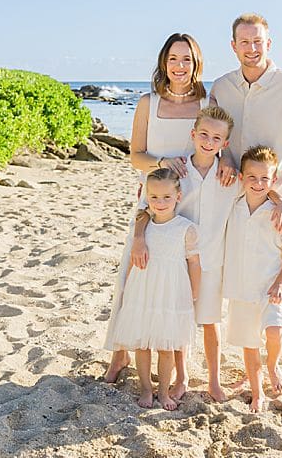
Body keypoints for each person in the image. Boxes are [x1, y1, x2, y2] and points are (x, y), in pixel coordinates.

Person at [209, 12, 282, 405]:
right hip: (235, 207)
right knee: (244, 296)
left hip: (280, 208)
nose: (252, 48)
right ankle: (256, 373)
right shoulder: (221, 88)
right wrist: (224, 158)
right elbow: (215, 137)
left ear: (268, 44)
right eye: (245, 41)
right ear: (233, 46)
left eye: (258, 41)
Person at [103, 33, 206, 386]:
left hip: (194, 201)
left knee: (176, 283)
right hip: (155, 198)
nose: (180, 66)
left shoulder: (208, 103)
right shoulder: (148, 102)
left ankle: (181, 367)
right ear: (164, 62)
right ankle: (120, 353)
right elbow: (135, 155)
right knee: (134, 276)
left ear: (196, 64)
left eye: (187, 59)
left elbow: (218, 143)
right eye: (174, 59)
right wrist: (160, 163)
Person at [106, 169, 201, 410]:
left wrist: (193, 294)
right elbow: (131, 261)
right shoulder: (143, 226)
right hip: (143, 290)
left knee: (166, 346)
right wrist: (127, 286)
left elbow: (194, 263)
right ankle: (146, 389)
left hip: (171, 293)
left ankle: (164, 392)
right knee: (143, 344)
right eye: (154, 197)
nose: (160, 203)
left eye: (166, 197)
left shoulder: (185, 228)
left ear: (178, 196)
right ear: (146, 196)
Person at [222, 146, 282, 412]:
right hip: (242, 288)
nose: (258, 184)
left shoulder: (277, 213)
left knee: (275, 331)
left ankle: (272, 366)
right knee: (249, 343)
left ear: (274, 181)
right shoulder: (233, 207)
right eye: (252, 178)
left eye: (265, 179)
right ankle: (258, 394)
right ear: (241, 178)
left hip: (270, 288)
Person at [175, 106, 237, 402]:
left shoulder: (229, 178)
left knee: (211, 321)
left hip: (213, 261)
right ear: (193, 135)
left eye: (216, 138)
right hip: (178, 260)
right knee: (180, 318)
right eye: (203, 135)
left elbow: (258, 192)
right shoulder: (178, 171)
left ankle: (213, 380)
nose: (208, 142)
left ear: (225, 145)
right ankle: (181, 376)